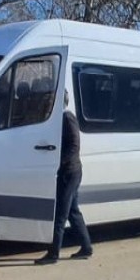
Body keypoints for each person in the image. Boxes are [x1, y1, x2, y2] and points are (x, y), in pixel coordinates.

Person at [35, 92, 93, 264]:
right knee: (73, 212)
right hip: (70, 171)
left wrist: (59, 162)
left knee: (61, 213)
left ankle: (53, 254)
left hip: (69, 172)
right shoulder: (60, 118)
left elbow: (74, 145)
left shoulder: (67, 118)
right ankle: (86, 247)